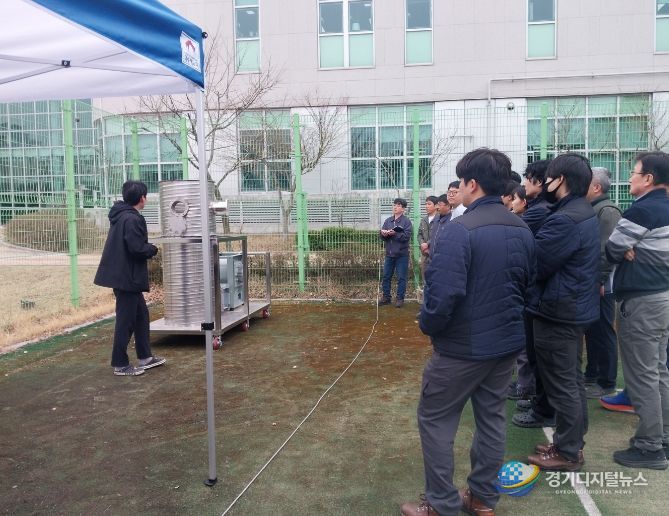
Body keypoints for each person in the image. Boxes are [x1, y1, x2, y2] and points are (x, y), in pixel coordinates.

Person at [401, 149, 535, 516]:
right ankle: (482, 499)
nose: (458, 188)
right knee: (491, 420)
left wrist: (428, 324)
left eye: (461, 182)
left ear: (472, 184)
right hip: (505, 345)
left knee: (436, 418)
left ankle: (441, 503)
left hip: (461, 349)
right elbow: (527, 283)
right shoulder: (521, 228)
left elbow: (442, 295)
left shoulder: (459, 230)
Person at [525, 153, 600, 472]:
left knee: (563, 383)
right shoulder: (579, 211)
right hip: (571, 308)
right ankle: (570, 442)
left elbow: (537, 264)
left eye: (548, 178)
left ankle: (568, 451)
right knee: (570, 380)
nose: (545, 183)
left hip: (559, 312)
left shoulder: (565, 219)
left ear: (561, 181)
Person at [606, 151, 669, 470]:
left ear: (649, 179)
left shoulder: (643, 209)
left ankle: (649, 447)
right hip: (661, 297)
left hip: (642, 301)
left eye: (634, 172)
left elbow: (612, 248)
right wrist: (629, 249)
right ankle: (663, 438)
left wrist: (630, 249)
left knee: (642, 375)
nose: (630, 177)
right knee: (658, 370)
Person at [94, 180, 165, 376]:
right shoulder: (132, 219)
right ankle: (120, 364)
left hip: (124, 276)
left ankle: (145, 357)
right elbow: (137, 248)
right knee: (125, 322)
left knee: (141, 316)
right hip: (127, 278)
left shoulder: (121, 215)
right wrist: (152, 249)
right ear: (142, 198)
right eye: (146, 196)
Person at [583, 167, 622, 399]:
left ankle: (606, 381)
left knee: (604, 330)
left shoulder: (607, 211)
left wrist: (599, 279)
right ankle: (592, 374)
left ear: (596, 187)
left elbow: (606, 251)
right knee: (593, 329)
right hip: (595, 280)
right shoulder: (595, 209)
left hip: (603, 283)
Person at [379, 197, 412, 308]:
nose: (395, 207)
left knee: (401, 277)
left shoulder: (406, 221)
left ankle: (400, 298)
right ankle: (386, 297)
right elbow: (382, 237)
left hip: (402, 255)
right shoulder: (388, 221)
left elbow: (406, 236)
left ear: (403, 209)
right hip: (389, 254)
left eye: (398, 205)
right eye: (394, 205)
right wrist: (383, 234)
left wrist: (395, 234)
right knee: (386, 276)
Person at [417, 196, 439, 281]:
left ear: (436, 206)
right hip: (425, 254)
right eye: (425, 204)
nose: (426, 206)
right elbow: (419, 234)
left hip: (436, 254)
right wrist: (422, 244)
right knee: (425, 279)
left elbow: (439, 234)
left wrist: (428, 244)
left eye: (429, 204)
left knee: (436, 278)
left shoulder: (440, 219)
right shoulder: (424, 220)